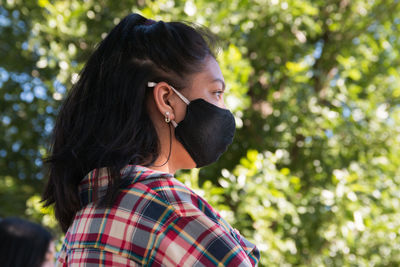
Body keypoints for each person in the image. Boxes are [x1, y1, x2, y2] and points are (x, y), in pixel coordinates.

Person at [42, 13, 260, 266]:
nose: (223, 107)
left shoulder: (83, 221)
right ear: (167, 100)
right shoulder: (172, 213)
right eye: (217, 92)